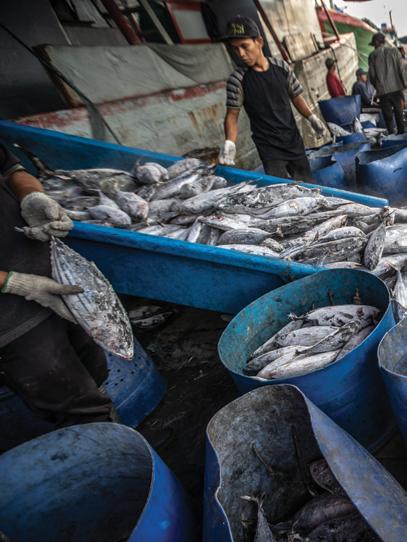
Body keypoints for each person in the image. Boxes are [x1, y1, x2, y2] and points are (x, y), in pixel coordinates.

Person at [0, 142, 114, 428]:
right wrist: (15, 283)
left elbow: (11, 169)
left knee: (95, 368)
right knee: (75, 403)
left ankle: (116, 429)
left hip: (52, 272)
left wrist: (32, 196)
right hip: (10, 321)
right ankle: (112, 447)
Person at [218, 16, 326, 180]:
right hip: (269, 148)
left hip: (293, 140)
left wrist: (312, 118)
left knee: (307, 183)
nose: (241, 54)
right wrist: (230, 142)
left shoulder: (282, 67)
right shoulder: (237, 79)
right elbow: (232, 115)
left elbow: (296, 97)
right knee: (279, 188)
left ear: (259, 42)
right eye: (235, 48)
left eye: (244, 46)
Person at [368, 32, 406, 134]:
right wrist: (403, 85)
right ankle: (402, 134)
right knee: (399, 113)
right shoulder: (395, 51)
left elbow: (372, 75)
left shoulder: (372, 56)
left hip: (382, 91)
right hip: (396, 88)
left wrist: (377, 86)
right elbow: (401, 70)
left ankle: (391, 136)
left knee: (388, 116)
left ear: (376, 43)